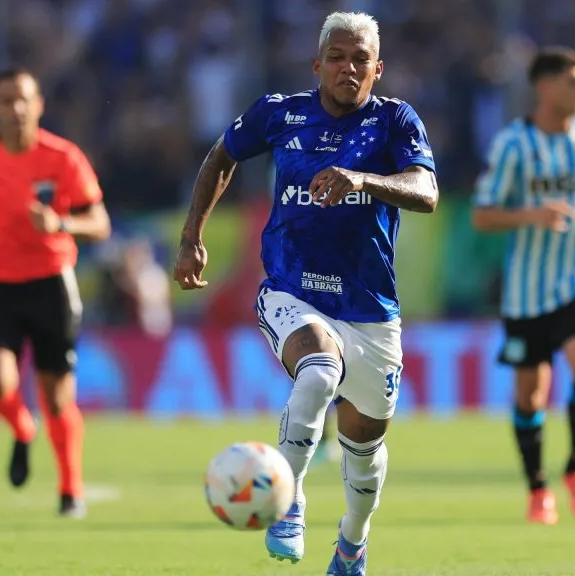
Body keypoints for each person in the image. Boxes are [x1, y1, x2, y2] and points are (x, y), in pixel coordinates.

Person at [173, 11, 438, 575]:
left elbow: (426, 189)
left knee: (363, 452)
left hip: (369, 309)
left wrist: (362, 180)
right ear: (317, 65)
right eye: (337, 58)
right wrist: (192, 235)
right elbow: (222, 155)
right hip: (293, 290)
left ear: (377, 69)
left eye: (360, 60)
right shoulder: (279, 112)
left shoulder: (395, 121)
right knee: (318, 371)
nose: (348, 68)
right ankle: (287, 500)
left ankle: (352, 540)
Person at [472, 47, 575, 525]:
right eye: (574, 83)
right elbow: (482, 215)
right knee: (531, 395)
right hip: (527, 290)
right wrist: (532, 215)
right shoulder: (513, 145)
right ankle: (538, 489)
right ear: (544, 87)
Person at [0, 68, 111, 517]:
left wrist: (61, 223)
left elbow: (99, 223)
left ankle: (70, 488)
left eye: (23, 99)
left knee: (57, 394)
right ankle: (22, 427)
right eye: (5, 100)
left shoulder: (62, 158)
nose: (15, 108)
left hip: (50, 283)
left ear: (38, 104)